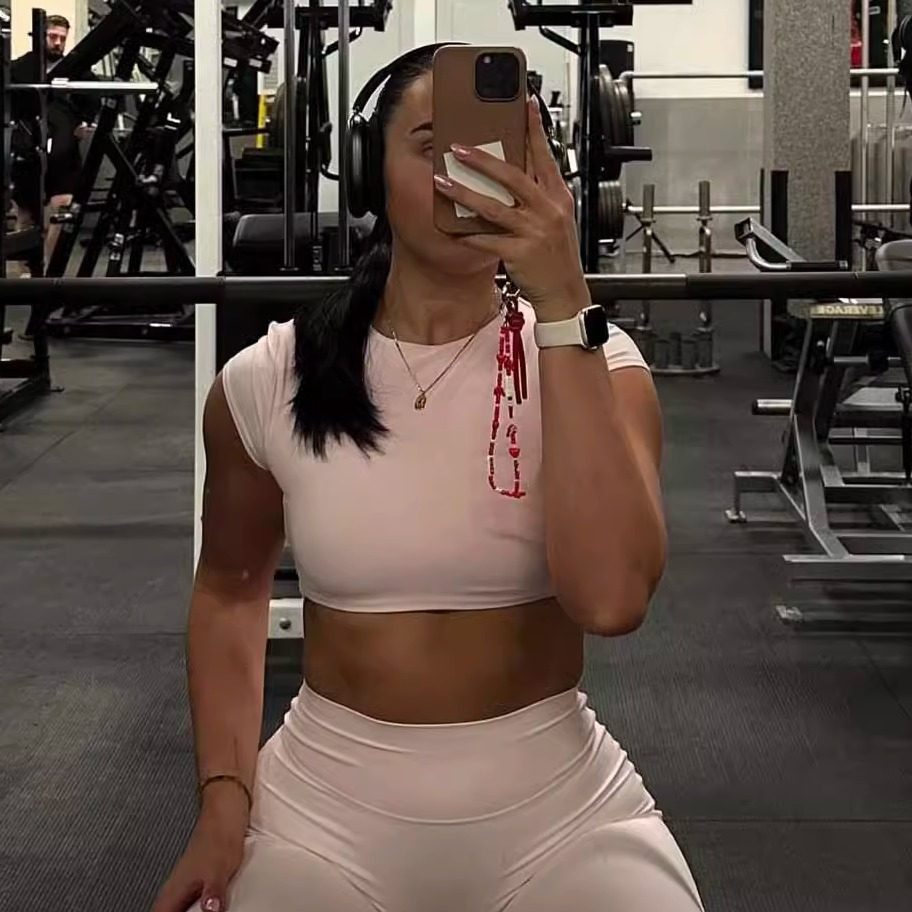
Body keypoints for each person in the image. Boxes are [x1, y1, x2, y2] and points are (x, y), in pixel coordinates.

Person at [153, 47, 705, 912]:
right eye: (429, 147)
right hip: (323, 812)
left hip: (559, 811)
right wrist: (224, 799)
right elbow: (229, 589)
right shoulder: (269, 380)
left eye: (491, 149)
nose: (463, 177)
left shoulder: (600, 365)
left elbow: (610, 602)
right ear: (370, 174)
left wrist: (564, 304)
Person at [10, 14, 97, 284]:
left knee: (62, 207)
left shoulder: (77, 70)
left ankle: (49, 272)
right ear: (41, 37)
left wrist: (86, 124)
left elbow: (92, 102)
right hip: (28, 150)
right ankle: (26, 272)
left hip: (64, 153)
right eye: (53, 37)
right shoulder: (20, 69)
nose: (58, 43)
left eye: (62, 38)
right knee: (28, 213)